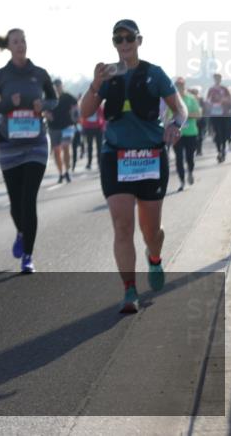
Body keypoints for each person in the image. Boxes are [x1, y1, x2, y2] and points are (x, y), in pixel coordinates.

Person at [79, 20, 185, 314]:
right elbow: (85, 112)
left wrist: (176, 125)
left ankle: (155, 256)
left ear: (139, 40)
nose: (124, 44)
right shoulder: (108, 74)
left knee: (151, 231)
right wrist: (95, 85)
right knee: (122, 226)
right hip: (115, 156)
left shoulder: (154, 73)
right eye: (118, 39)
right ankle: (129, 290)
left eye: (129, 38)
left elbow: (180, 109)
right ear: (114, 43)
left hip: (150, 155)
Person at [0, 28, 57, 274]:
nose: (20, 45)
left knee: (29, 200)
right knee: (16, 203)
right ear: (9, 46)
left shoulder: (40, 73)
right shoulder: (1, 76)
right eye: (15, 41)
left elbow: (54, 99)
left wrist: (43, 105)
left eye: (23, 40)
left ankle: (28, 255)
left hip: (36, 142)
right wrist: (7, 104)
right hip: (10, 145)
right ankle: (21, 232)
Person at [170, 77, 201, 191]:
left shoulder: (191, 98)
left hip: (191, 132)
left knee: (189, 157)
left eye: (181, 85)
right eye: (177, 85)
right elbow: (168, 116)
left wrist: (185, 115)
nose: (179, 87)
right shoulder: (172, 99)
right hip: (177, 134)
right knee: (178, 158)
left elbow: (198, 114)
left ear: (184, 86)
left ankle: (190, 172)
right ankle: (182, 181)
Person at [47, 78, 78, 183]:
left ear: (62, 86)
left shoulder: (67, 96)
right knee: (56, 151)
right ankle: (61, 173)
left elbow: (76, 105)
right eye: (55, 86)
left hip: (67, 126)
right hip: (53, 127)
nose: (57, 88)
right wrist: (46, 114)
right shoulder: (48, 98)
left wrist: (75, 114)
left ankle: (67, 171)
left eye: (59, 86)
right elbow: (42, 109)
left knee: (65, 146)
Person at [206, 73, 231, 162]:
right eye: (216, 78)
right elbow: (208, 100)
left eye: (219, 78)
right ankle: (219, 151)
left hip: (224, 114)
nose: (217, 80)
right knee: (217, 133)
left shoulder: (224, 89)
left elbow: (230, 100)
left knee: (224, 132)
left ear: (221, 79)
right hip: (215, 114)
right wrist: (210, 105)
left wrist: (224, 101)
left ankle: (223, 149)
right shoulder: (211, 89)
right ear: (214, 79)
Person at [81, 100, 105, 170]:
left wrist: (102, 126)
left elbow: (102, 117)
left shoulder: (99, 107)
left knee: (99, 146)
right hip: (88, 128)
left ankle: (99, 163)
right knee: (89, 146)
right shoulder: (86, 107)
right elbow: (83, 117)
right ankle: (89, 163)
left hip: (98, 128)